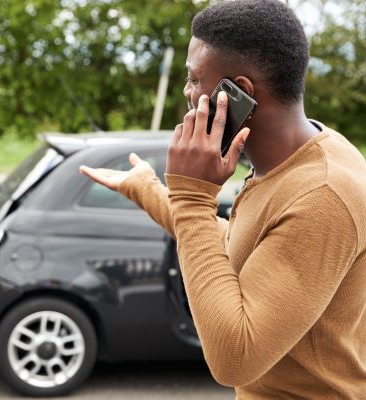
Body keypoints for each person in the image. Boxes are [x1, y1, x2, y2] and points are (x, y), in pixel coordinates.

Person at [80, 0, 366, 398]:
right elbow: (244, 245)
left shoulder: (324, 193)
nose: (187, 90)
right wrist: (148, 189)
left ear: (239, 92)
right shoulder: (297, 160)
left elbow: (235, 358)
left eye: (195, 78)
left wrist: (194, 198)